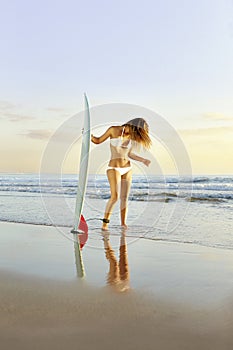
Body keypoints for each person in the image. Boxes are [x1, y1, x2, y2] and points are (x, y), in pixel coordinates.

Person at [91, 117, 152, 230]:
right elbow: (98, 140)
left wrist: (143, 160)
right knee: (115, 197)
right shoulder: (113, 130)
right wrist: (89, 136)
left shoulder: (131, 137)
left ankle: (123, 224)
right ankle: (105, 224)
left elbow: (130, 154)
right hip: (114, 167)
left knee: (124, 198)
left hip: (127, 168)